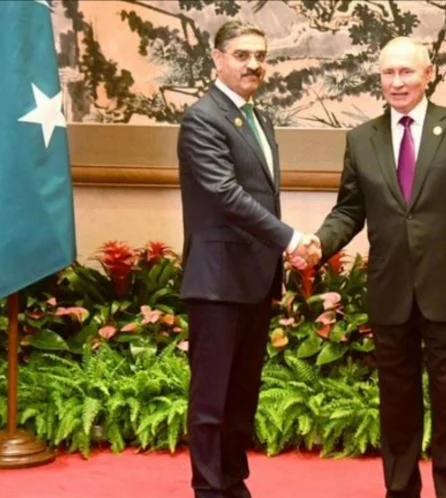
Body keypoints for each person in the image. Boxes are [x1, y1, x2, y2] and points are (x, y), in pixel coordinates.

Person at [313, 36, 446, 498]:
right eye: (388, 73)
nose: (397, 82)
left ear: (428, 74)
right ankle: (400, 491)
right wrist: (319, 243)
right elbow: (349, 210)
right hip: (390, 289)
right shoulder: (362, 139)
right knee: (396, 405)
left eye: (406, 72)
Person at [177, 21, 320, 498]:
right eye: (241, 55)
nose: (253, 64)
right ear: (217, 58)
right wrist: (290, 239)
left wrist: (283, 247)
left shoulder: (259, 119)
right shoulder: (202, 118)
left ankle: (233, 484)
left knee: (241, 397)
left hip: (254, 280)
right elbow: (224, 194)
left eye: (260, 55)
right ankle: (209, 489)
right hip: (217, 282)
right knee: (211, 401)